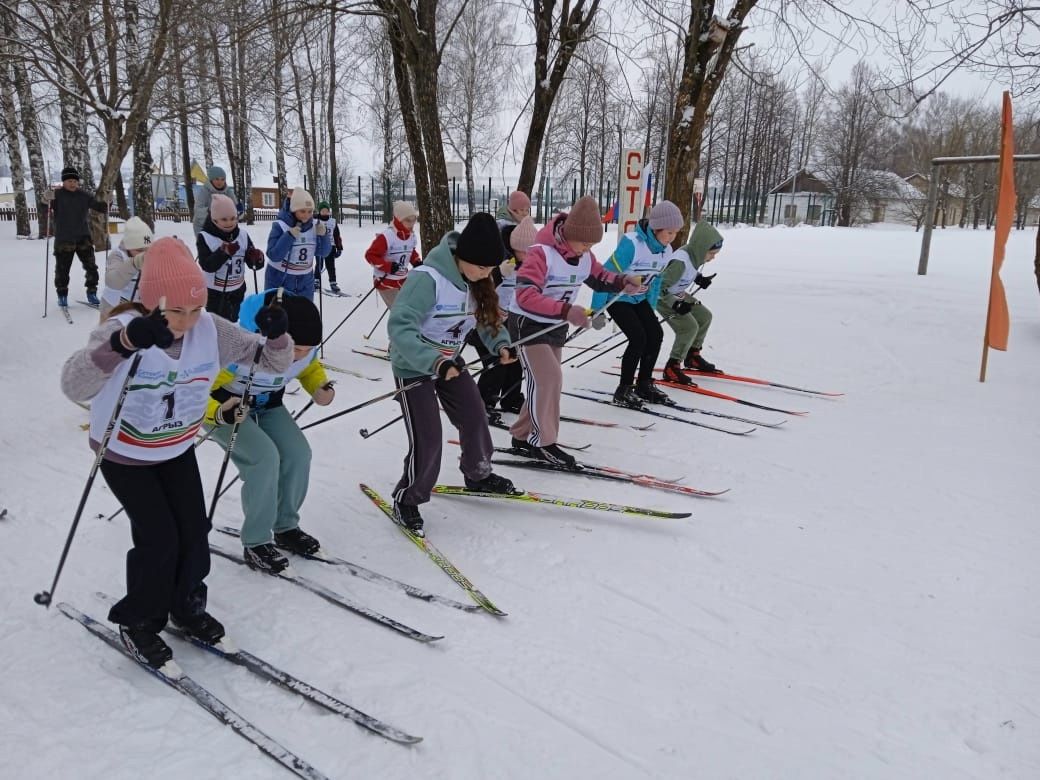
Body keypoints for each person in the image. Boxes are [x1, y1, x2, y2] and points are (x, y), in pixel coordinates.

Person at [60, 237, 292, 669]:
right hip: (125, 454)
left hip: (175, 447)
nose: (186, 321)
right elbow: (73, 385)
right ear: (151, 302)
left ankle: (186, 606)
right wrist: (123, 345)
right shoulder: (122, 329)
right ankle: (139, 620)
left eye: (194, 309)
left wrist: (275, 334)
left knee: (193, 530)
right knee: (159, 539)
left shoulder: (210, 328)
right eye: (174, 311)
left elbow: (271, 362)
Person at [387, 212, 519, 537]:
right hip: (414, 365)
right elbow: (399, 328)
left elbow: (486, 323)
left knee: (475, 415)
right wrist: (434, 362)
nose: (488, 274)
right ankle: (408, 498)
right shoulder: (428, 279)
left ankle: (478, 473)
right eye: (484, 267)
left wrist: (500, 344)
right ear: (465, 257)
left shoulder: (477, 281)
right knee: (428, 436)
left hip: (450, 363)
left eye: (491, 268)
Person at [507, 196, 643, 468]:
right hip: (528, 324)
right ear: (569, 235)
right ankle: (542, 442)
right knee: (548, 379)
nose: (587, 249)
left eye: (592, 245)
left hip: (555, 325)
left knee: (547, 382)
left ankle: (521, 436)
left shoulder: (584, 256)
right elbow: (525, 296)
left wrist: (621, 282)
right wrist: (567, 311)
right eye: (584, 243)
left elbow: (600, 277)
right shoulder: (540, 253)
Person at [206, 291, 334, 574]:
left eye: (307, 348)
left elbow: (309, 367)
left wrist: (319, 386)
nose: (299, 355)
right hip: (225, 408)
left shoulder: (305, 351)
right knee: (264, 459)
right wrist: (218, 410)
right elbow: (194, 389)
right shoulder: (238, 349)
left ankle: (285, 526)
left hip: (266, 406)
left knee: (298, 454)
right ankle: (256, 541)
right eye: (296, 348)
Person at [591, 200, 684, 408]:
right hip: (617, 298)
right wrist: (597, 310)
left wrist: (649, 308)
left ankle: (644, 383)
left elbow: (656, 280)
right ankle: (624, 389)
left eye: (675, 233)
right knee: (638, 338)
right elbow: (605, 275)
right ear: (656, 228)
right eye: (669, 232)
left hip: (639, 299)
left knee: (656, 334)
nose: (672, 238)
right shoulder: (632, 244)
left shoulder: (665, 250)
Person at [477, 216, 537, 415]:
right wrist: (499, 274)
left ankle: (511, 398)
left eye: (531, 251)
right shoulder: (496, 257)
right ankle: (483, 403)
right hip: (486, 320)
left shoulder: (530, 263)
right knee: (496, 361)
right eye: (523, 251)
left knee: (516, 358)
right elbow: (478, 286)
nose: (527, 255)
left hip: (512, 318)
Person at [657, 221, 723, 378]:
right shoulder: (681, 261)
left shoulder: (695, 255)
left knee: (705, 317)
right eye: (711, 253)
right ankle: (672, 366)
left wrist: (699, 279)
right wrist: (675, 304)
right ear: (701, 248)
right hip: (662, 297)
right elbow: (659, 288)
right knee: (689, 327)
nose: (713, 258)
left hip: (677, 293)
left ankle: (693, 356)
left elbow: (689, 272)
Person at [196, 193, 266, 322]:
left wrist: (256, 258)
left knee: (233, 322)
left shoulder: (243, 235)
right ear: (214, 219)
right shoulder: (205, 237)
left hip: (237, 290)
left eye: (233, 218)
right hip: (215, 293)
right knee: (218, 326)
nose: (230, 223)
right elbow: (207, 265)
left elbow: (253, 264)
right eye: (224, 219)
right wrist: (224, 252)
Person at [45, 166, 107, 308]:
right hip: (64, 239)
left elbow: (99, 207)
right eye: (69, 181)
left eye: (74, 181)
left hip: (83, 237)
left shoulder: (84, 195)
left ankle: (92, 292)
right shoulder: (57, 195)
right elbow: (44, 207)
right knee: (62, 269)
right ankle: (62, 295)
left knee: (91, 267)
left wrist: (107, 202)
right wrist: (45, 199)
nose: (72, 184)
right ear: (63, 182)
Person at [265, 188, 331, 301]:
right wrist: (289, 236)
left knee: (304, 316)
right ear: (293, 210)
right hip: (280, 279)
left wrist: (324, 235)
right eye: (302, 211)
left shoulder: (315, 226)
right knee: (280, 316)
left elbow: (323, 252)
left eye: (310, 211)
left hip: (305, 281)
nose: (306, 215)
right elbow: (273, 255)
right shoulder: (280, 225)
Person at [365, 200, 422, 307]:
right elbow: (370, 256)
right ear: (399, 220)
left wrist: (416, 261)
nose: (412, 223)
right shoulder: (387, 236)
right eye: (408, 220)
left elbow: (410, 250)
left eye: (414, 220)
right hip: (385, 282)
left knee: (411, 309)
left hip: (402, 280)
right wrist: (388, 266)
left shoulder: (411, 236)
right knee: (400, 314)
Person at [99, 216, 152, 320]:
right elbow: (112, 281)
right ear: (129, 246)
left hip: (139, 306)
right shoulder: (117, 255)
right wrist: (134, 263)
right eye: (139, 250)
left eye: (148, 249)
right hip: (114, 307)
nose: (144, 253)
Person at [192, 166, 240, 236]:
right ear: (211, 179)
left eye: (222, 179)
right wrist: (213, 216)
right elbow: (198, 209)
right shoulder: (204, 191)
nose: (220, 182)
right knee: (208, 245)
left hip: (223, 225)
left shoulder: (228, 191)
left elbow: (235, 207)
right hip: (203, 226)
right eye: (217, 179)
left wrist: (238, 210)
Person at [314, 201, 343, 293]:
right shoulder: (315, 221)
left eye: (326, 211)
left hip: (331, 246)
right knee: (319, 265)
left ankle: (333, 283)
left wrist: (339, 248)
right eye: (323, 211)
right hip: (319, 247)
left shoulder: (332, 222)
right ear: (320, 211)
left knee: (330, 265)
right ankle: (316, 281)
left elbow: (337, 236)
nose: (325, 212)